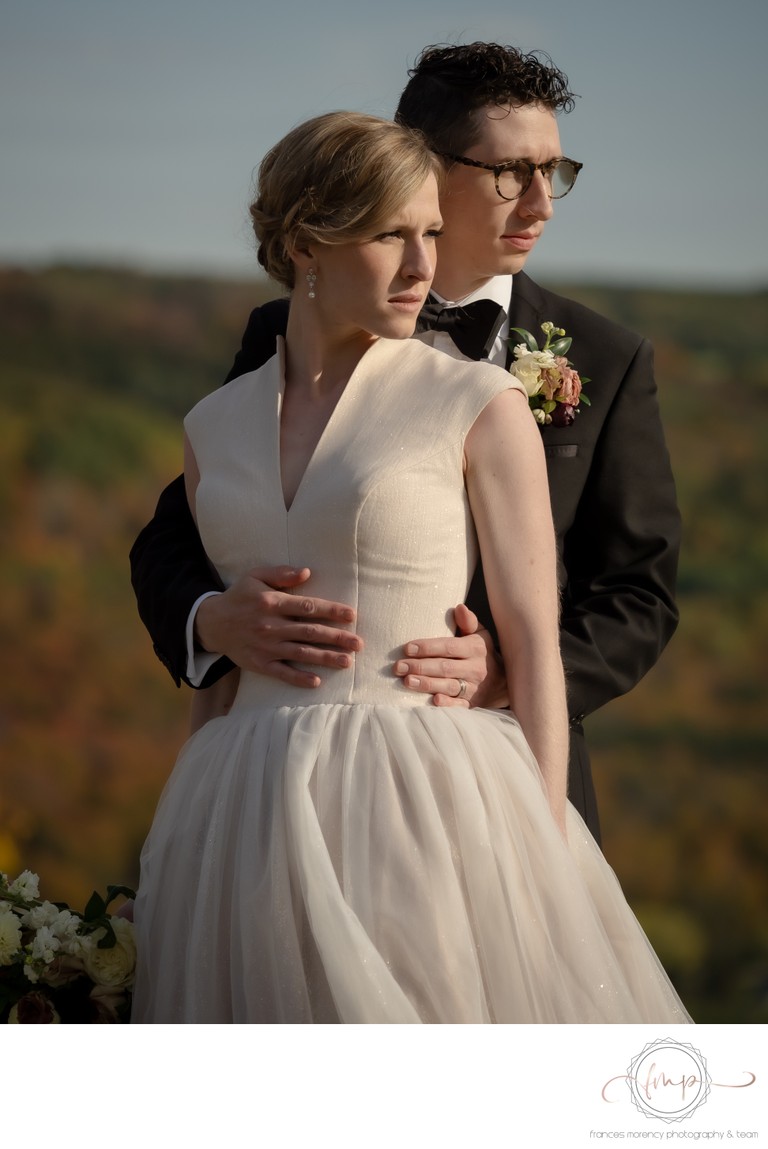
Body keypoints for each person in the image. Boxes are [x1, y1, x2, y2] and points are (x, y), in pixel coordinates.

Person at [130, 109, 690, 1023]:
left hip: (421, 795)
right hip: (236, 797)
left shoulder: (477, 398)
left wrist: (540, 854)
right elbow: (218, 651)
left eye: (430, 232)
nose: (424, 266)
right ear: (308, 241)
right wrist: (180, 828)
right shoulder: (212, 424)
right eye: (394, 234)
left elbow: (542, 641)